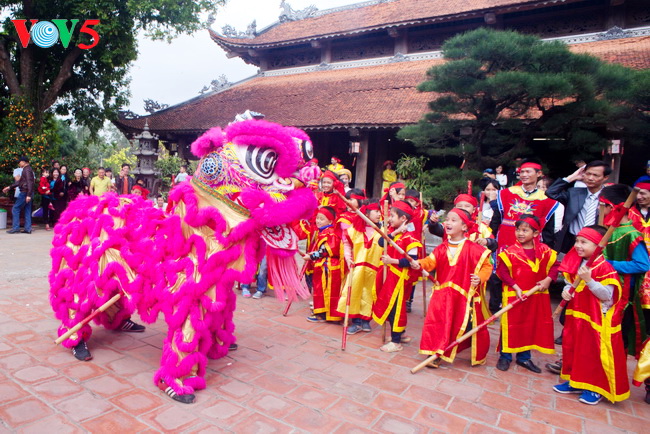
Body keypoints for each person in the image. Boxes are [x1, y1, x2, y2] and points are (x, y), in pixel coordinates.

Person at [553, 225, 629, 405]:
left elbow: (607, 296)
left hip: (596, 320)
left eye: (584, 242)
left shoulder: (605, 268)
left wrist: (589, 280)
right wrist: (566, 291)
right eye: (577, 241)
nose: (578, 246)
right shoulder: (577, 262)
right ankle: (575, 381)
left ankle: (595, 388)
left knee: (593, 353)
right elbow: (570, 283)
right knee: (575, 349)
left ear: (598, 245)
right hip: (577, 316)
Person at [414, 208, 492, 367]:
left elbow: (487, 267)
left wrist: (480, 277)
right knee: (438, 323)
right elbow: (430, 262)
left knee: (466, 325)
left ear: (464, 227)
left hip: (464, 295)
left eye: (453, 220)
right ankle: (435, 353)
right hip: (442, 295)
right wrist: (419, 263)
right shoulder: (442, 248)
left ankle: (467, 349)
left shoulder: (474, 248)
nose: (447, 223)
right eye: (447, 219)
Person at [496, 215, 559, 373]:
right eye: (518, 230)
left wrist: (548, 280)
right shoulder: (510, 252)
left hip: (536, 297)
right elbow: (502, 272)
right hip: (515, 295)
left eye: (525, 230)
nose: (520, 233)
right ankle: (505, 356)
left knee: (529, 325)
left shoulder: (545, 251)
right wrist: (515, 287)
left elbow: (555, 267)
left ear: (536, 233)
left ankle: (524, 357)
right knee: (510, 325)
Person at [600, 184, 650, 356]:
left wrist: (608, 264)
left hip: (622, 294)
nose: (600, 209)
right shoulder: (605, 230)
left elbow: (642, 265)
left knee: (617, 336)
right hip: (602, 290)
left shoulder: (631, 234)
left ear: (611, 207)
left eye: (602, 205)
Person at [372, 200, 422, 352]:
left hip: (400, 279)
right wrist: (394, 233)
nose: (389, 218)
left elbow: (412, 261)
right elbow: (382, 242)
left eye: (392, 216)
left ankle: (396, 341)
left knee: (396, 308)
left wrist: (392, 261)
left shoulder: (410, 238)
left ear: (403, 218)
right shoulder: (393, 233)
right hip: (389, 276)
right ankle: (400, 335)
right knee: (390, 305)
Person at [546, 160, 611, 254]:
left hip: (597, 243)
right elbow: (551, 192)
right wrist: (571, 177)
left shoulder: (609, 196)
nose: (590, 178)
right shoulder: (574, 193)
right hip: (571, 241)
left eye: (595, 175)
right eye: (588, 174)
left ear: (605, 177)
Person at [337, 200, 382, 334]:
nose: (379, 214)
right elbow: (346, 243)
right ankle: (356, 322)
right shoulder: (355, 229)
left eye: (380, 212)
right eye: (376, 211)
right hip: (357, 267)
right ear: (367, 214)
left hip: (374, 268)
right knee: (354, 292)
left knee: (369, 294)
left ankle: (365, 320)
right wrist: (348, 258)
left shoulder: (383, 231)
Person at [490, 161, 558, 250]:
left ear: (538, 173)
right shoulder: (506, 193)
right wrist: (490, 239)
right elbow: (496, 219)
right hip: (505, 240)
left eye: (528, 172)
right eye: (522, 172)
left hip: (531, 245)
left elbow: (547, 231)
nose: (524, 175)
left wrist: (547, 250)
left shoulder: (546, 199)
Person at [303, 206, 344, 322]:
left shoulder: (330, 233)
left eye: (322, 219)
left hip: (328, 267)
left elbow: (325, 251)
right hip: (325, 266)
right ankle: (325, 314)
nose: (318, 221)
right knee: (323, 291)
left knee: (325, 291)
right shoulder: (323, 231)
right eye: (317, 218)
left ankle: (322, 315)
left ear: (330, 221)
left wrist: (311, 256)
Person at [629, 178, 650, 332]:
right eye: (637, 193)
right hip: (634, 262)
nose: (639, 197)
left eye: (643, 193)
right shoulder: (629, 213)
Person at [3, 156, 35, 234]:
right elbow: (20, 182)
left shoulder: (26, 170)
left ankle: (16, 228)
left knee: (15, 208)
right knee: (27, 209)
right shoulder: (28, 169)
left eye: (20, 162)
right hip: (28, 192)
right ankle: (28, 228)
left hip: (25, 192)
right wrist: (9, 187)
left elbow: (30, 182)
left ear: (24, 162)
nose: (19, 163)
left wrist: (28, 195)